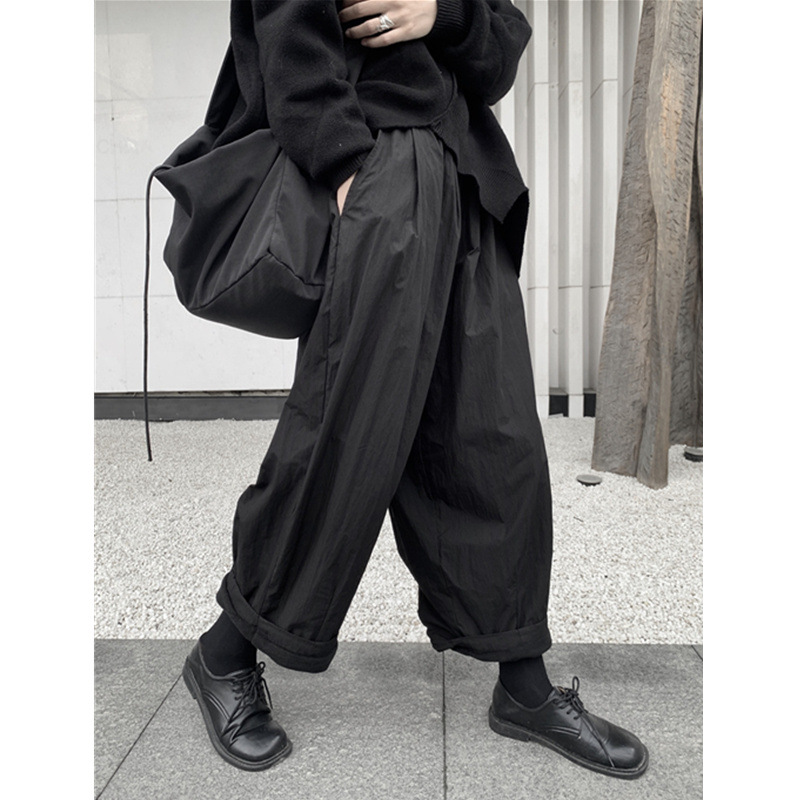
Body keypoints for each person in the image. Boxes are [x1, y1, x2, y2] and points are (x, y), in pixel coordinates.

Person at [180, 0, 648, 780]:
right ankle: (225, 653)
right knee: (345, 436)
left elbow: (500, 50)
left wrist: (444, 12)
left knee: (496, 435)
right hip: (377, 166)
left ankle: (523, 685)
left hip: (467, 173)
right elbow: (288, 30)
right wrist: (342, 167)